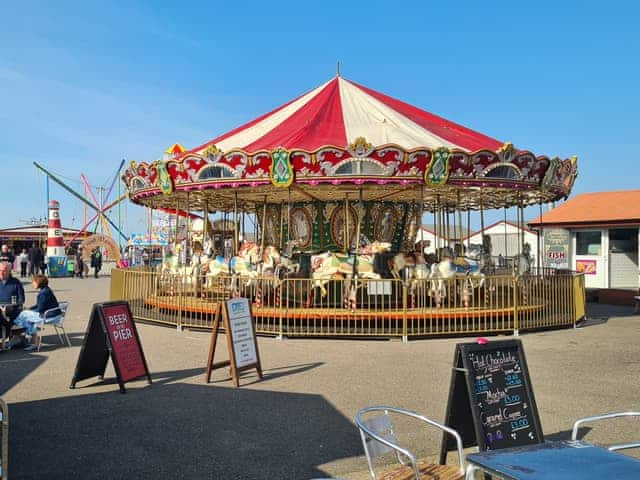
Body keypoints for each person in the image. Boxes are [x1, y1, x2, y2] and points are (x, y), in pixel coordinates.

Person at [11, 275, 60, 351]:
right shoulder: (46, 290)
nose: (32, 284)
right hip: (52, 313)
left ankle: (16, 330)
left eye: (34, 282)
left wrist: (29, 311)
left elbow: (40, 309)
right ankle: (32, 340)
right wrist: (29, 308)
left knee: (24, 316)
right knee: (26, 318)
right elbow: (39, 305)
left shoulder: (43, 293)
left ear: (39, 283)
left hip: (48, 315)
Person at [0, 261, 25, 336]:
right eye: (0, 270)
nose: (1, 273)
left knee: (15, 317)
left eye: (4, 271)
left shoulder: (16, 282)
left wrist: (14, 306)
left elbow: (22, 299)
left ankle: (11, 335)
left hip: (12, 309)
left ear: (9, 271)